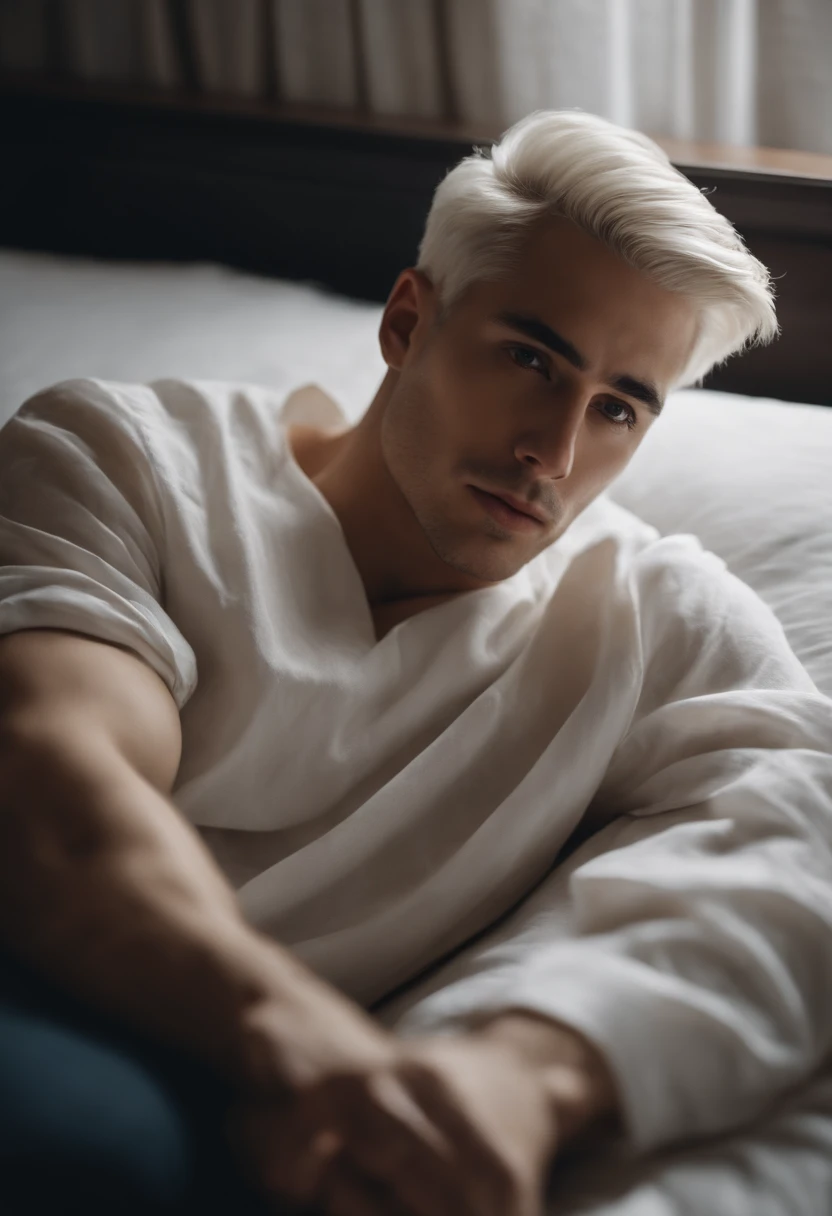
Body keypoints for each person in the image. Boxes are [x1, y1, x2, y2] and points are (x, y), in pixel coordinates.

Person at [1, 108, 830, 1216]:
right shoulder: (120, 458)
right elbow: (55, 782)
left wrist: (516, 1079)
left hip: (313, 1113)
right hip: (49, 991)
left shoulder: (651, 618)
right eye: (532, 359)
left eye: (620, 407)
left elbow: (800, 854)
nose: (556, 451)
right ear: (406, 320)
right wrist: (313, 1049)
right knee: (93, 1148)